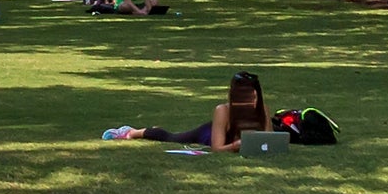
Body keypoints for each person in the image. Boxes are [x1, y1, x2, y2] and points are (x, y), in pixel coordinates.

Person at [107, 71, 268, 151]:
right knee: (173, 138)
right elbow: (217, 149)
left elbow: (271, 141)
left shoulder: (263, 110)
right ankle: (132, 132)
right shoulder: (223, 111)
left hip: (234, 140)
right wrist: (236, 145)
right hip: (209, 134)